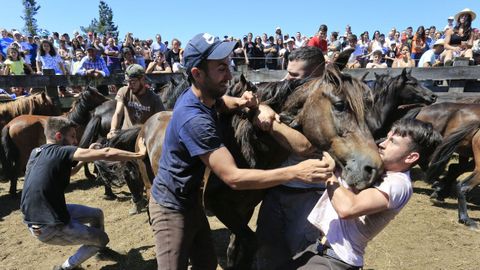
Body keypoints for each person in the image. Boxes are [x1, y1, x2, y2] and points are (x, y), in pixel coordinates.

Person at [148, 33, 332, 270]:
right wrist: (296, 172)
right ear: (197, 74)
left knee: (206, 263)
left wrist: (245, 102)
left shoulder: (201, 96)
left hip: (190, 200)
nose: (230, 74)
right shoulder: (194, 121)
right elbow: (233, 178)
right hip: (171, 206)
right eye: (221, 68)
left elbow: (221, 102)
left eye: (228, 65)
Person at [281, 119, 442, 270]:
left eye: (393, 142)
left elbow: (347, 209)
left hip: (335, 260)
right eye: (387, 138)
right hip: (319, 248)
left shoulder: (398, 184)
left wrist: (328, 172)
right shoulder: (375, 168)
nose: (382, 144)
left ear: (411, 157)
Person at [20, 116, 147, 270]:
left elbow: (70, 172)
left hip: (46, 213)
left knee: (96, 214)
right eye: (72, 136)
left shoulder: (37, 152)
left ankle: (99, 250)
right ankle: (65, 267)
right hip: (47, 226)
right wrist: (138, 154)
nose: (75, 141)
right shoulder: (61, 151)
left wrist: (84, 159)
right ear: (59, 137)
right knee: (102, 239)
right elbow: (106, 152)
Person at [256, 45, 327, 270]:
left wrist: (271, 123)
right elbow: (251, 98)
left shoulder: (330, 104)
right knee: (267, 254)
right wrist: (262, 106)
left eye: (295, 75)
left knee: (300, 257)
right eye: (288, 71)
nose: (287, 78)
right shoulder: (290, 88)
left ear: (318, 73)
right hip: (277, 190)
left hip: (308, 196)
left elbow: (304, 147)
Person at [108, 64, 164, 214]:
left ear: (142, 80)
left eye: (133, 81)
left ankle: (154, 198)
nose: (129, 84)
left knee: (147, 170)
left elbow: (160, 120)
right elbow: (118, 113)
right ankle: (137, 200)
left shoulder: (154, 99)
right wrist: (113, 130)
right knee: (127, 170)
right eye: (128, 81)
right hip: (127, 136)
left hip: (144, 139)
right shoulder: (124, 91)